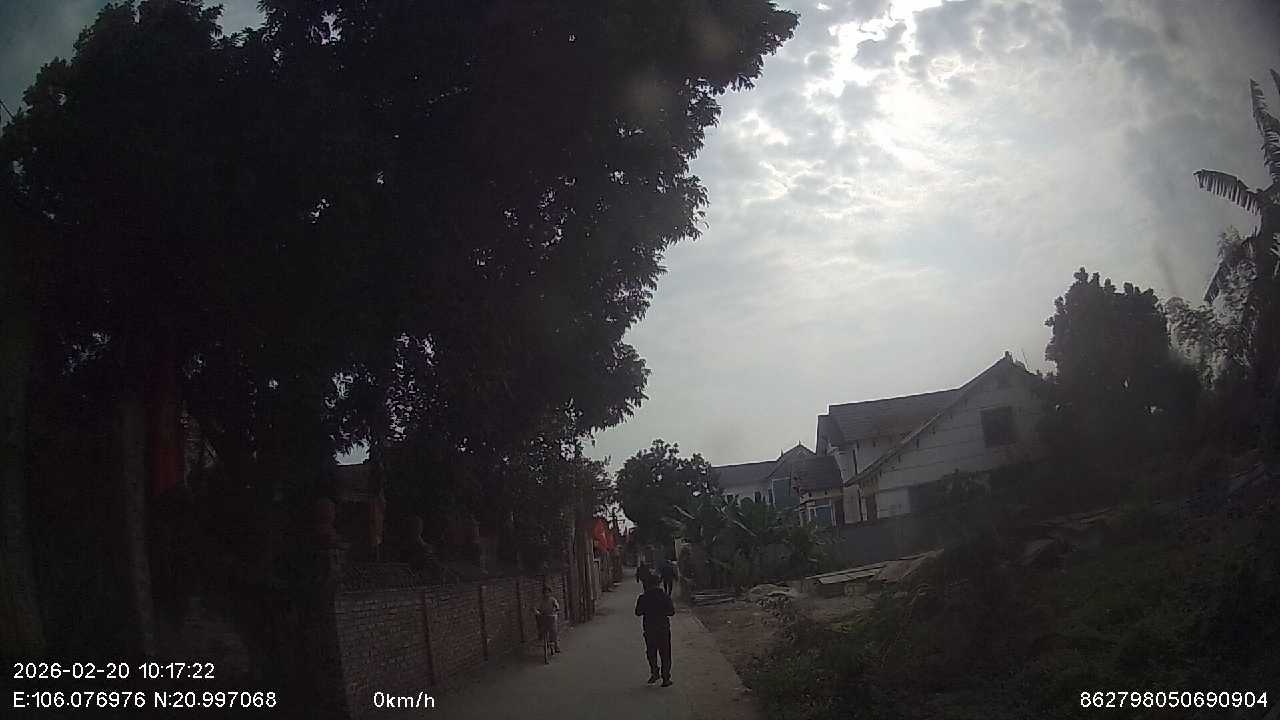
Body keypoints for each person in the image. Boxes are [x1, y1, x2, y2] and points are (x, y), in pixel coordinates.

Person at [634, 575, 675, 686]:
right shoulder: (665, 596)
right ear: (658, 583)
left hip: (649, 628)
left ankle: (654, 672)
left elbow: (638, 612)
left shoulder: (643, 597)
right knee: (665, 653)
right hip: (663, 628)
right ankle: (666, 678)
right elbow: (671, 612)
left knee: (651, 652)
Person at [536, 585, 561, 654]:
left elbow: (556, 605)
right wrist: (536, 611)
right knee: (541, 627)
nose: (546, 594)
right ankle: (542, 638)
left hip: (552, 616)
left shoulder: (552, 599)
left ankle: (556, 646)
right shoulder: (541, 601)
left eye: (548, 592)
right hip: (544, 617)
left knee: (554, 631)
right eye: (545, 593)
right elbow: (537, 608)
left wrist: (556, 608)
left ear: (550, 593)